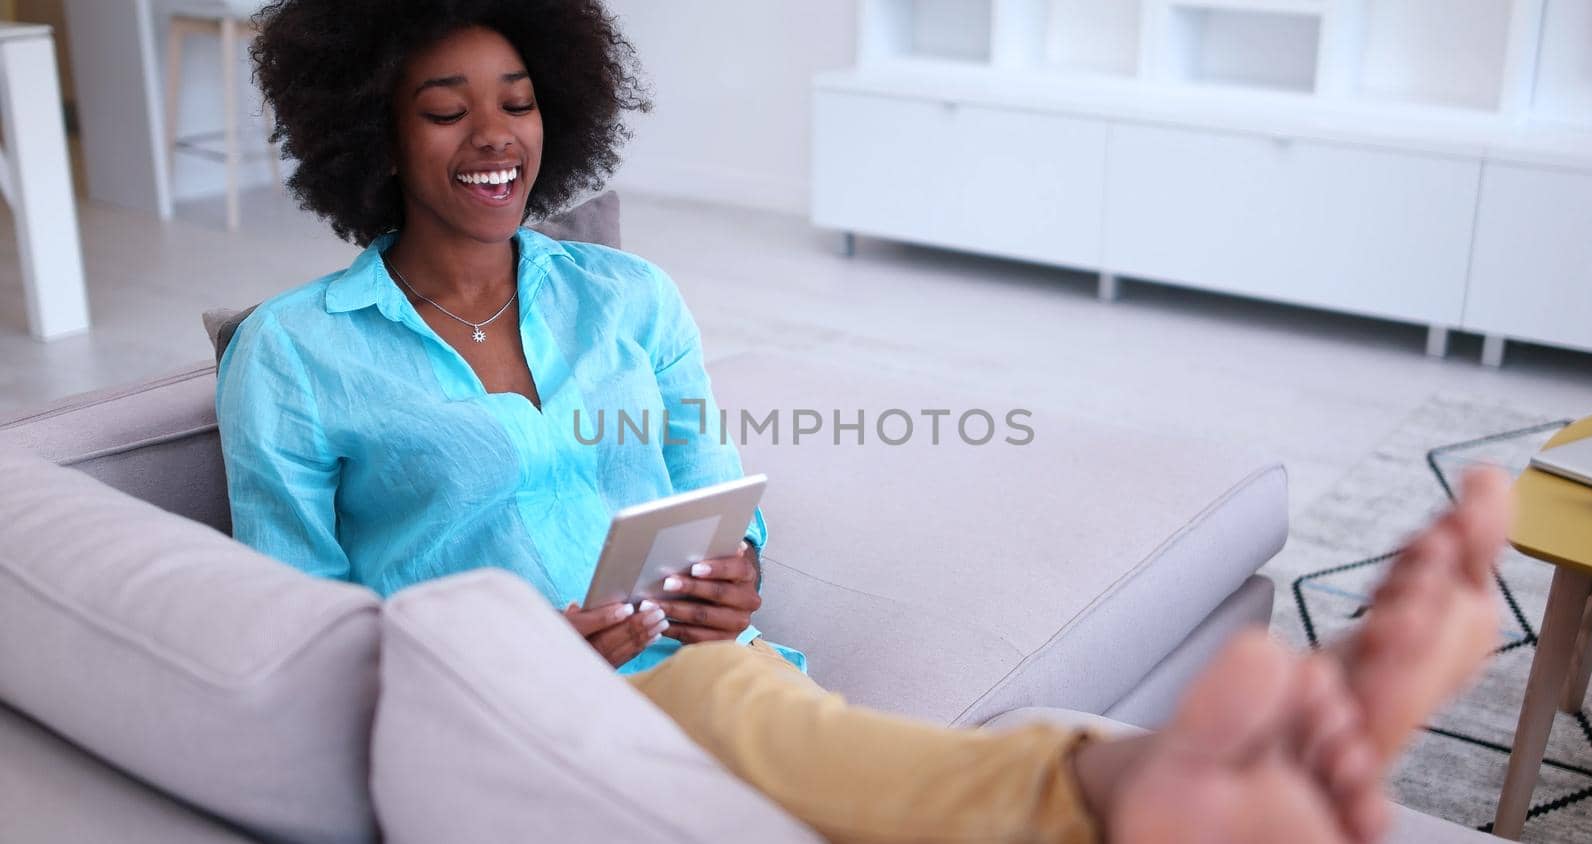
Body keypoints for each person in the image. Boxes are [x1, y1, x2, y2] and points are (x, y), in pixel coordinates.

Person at [222, 3, 1514, 841]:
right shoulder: (296, 355)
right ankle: (1115, 789)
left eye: (517, 98)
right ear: (378, 136)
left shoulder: (631, 300)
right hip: (501, 714)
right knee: (782, 745)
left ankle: (1146, 788)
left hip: (695, 674)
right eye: (448, 109)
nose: (495, 135)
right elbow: (296, 631)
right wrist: (527, 640)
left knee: (771, 731)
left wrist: (738, 577)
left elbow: (717, 500)